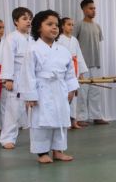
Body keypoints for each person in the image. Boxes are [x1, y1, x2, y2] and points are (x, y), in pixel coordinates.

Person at [19, 10, 79, 163]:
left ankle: (58, 151)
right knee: (41, 122)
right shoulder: (32, 49)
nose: (54, 27)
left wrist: (71, 88)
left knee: (61, 119)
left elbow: (70, 73)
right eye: (49, 24)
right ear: (39, 27)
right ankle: (42, 152)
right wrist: (30, 95)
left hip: (60, 88)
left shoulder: (64, 51)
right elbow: (28, 74)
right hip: (41, 90)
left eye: (56, 25)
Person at [0, 7, 34, 149]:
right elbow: (7, 58)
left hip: (31, 77)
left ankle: (36, 137)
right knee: (13, 108)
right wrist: (8, 78)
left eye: (30, 19)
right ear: (15, 21)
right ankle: (7, 138)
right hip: (17, 75)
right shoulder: (11, 38)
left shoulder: (32, 38)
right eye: (24, 19)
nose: (28, 22)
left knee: (33, 107)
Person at [73, 0, 108, 126]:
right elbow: (72, 43)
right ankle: (81, 118)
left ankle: (96, 116)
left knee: (95, 91)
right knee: (82, 91)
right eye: (90, 8)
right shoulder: (78, 25)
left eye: (94, 8)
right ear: (84, 9)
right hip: (83, 65)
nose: (93, 11)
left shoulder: (97, 26)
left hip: (95, 63)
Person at [58, 17, 88, 129]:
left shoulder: (74, 40)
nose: (71, 27)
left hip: (74, 68)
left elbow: (79, 56)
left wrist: (81, 73)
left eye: (72, 25)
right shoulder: (59, 39)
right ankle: (65, 122)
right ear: (62, 26)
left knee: (74, 97)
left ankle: (74, 120)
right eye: (68, 24)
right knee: (65, 96)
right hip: (63, 70)